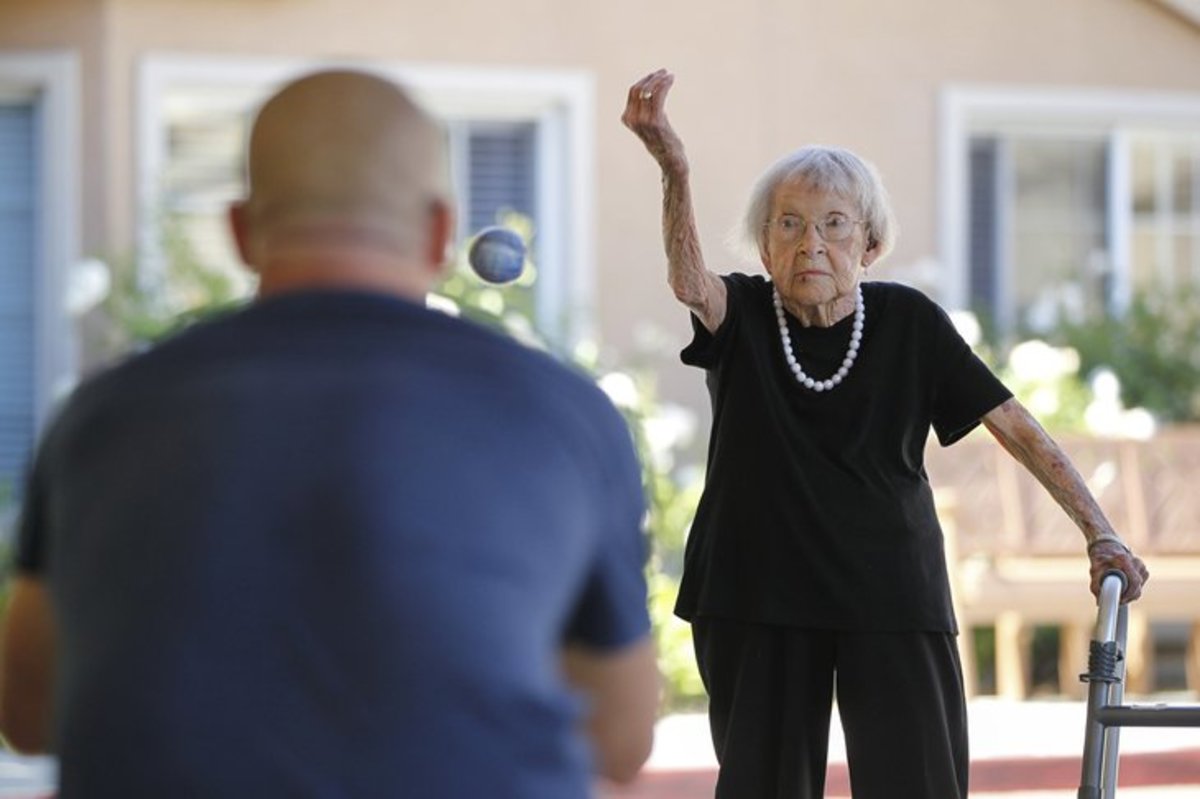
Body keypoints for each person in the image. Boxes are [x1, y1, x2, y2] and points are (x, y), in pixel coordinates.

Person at [0, 69, 660, 797]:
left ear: (242, 232)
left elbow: (27, 712)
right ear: (440, 232)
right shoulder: (562, 413)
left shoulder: (100, 415)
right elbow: (619, 738)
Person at [621, 68, 1149, 799]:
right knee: (760, 786)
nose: (812, 243)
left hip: (890, 587)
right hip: (756, 585)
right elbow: (689, 282)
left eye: (834, 223)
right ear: (765, 244)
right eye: (789, 223)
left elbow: (1014, 426)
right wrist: (674, 169)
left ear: (868, 244)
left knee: (919, 782)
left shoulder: (907, 322)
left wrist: (1100, 532)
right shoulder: (741, 311)